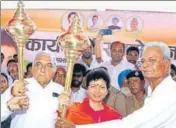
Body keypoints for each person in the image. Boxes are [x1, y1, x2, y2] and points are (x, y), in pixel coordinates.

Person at [58, 42, 176, 128]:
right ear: (87, 89)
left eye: (152, 60)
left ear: (166, 64)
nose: (145, 65)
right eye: (143, 61)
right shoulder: (154, 91)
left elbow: (132, 124)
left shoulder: (169, 93)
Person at [2, 51, 64, 128]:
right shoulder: (19, 85)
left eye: (48, 65)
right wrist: (9, 107)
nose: (43, 70)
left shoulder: (61, 90)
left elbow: (65, 119)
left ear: (54, 70)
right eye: (38, 65)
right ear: (33, 68)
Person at [56, 68, 122, 127]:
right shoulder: (73, 110)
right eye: (93, 86)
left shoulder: (114, 116)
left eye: (102, 87)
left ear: (107, 91)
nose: (97, 91)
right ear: (87, 89)